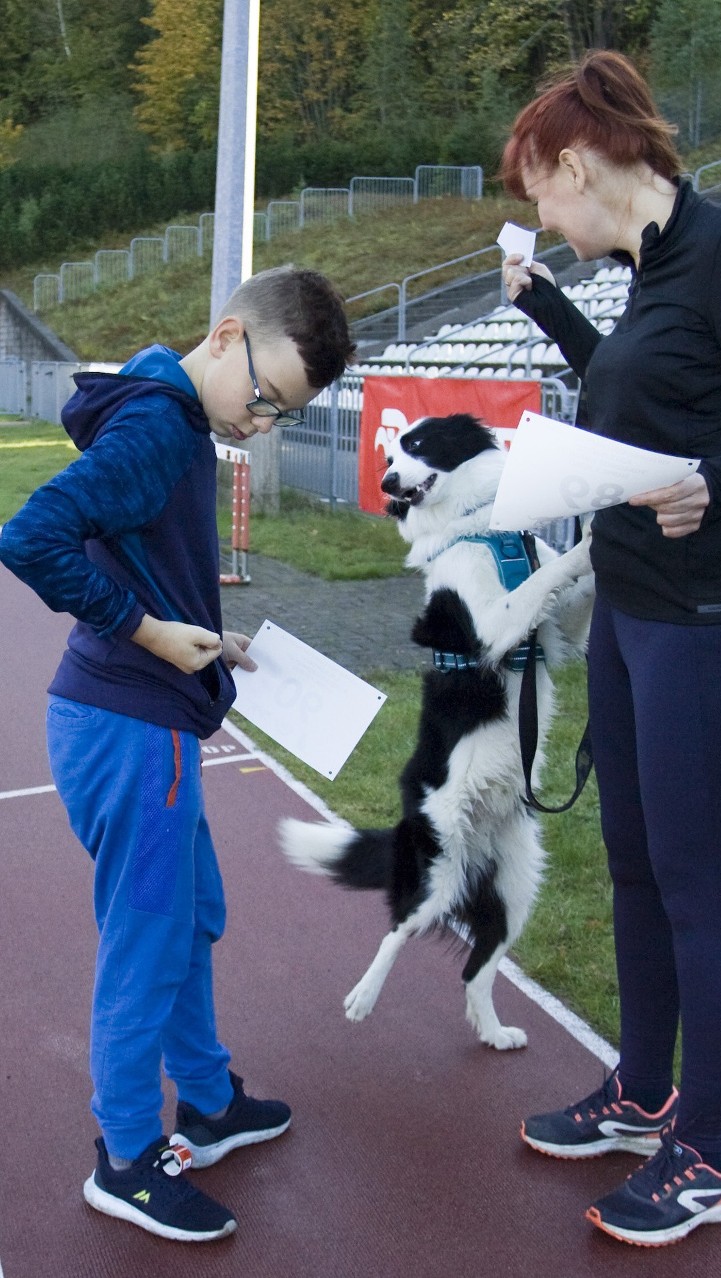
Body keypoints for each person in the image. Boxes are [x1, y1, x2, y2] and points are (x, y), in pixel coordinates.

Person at [499, 50, 721, 1248]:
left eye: (540, 189)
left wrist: (720, 484)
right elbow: (636, 406)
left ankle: (708, 1155)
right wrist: (543, 301)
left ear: (582, 165)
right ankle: (644, 1096)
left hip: (713, 621)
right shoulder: (648, 269)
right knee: (640, 866)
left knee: (699, 885)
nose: (539, 210)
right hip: (637, 610)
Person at [0, 265, 356, 1243]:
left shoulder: (175, 417)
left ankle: (204, 1097)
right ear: (230, 336)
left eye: (284, 414)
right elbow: (30, 537)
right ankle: (123, 1158)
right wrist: (149, 633)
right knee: (148, 939)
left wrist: (197, 628)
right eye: (266, 398)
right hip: (126, 726)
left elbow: (136, 557)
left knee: (193, 912)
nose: (262, 423)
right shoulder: (161, 424)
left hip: (143, 717)